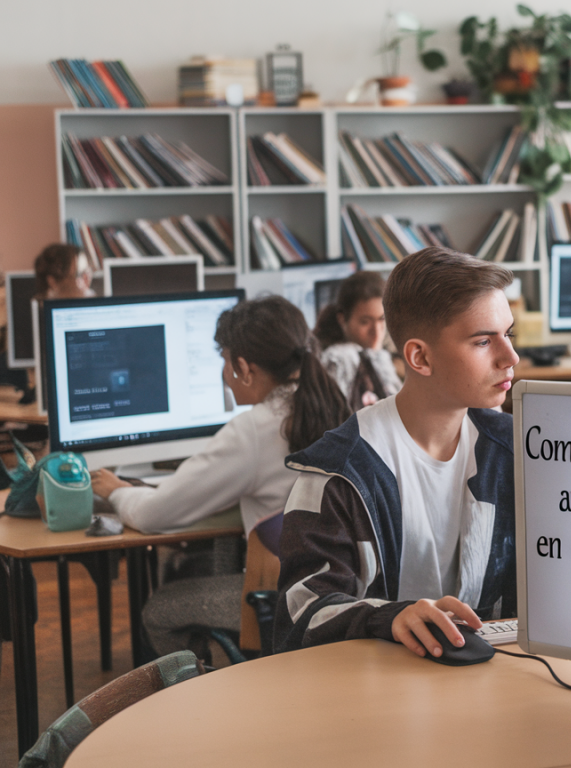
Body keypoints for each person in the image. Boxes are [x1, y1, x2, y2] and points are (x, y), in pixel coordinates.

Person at [275, 246, 518, 660]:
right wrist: (387, 617)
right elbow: (301, 616)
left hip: (493, 683)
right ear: (419, 356)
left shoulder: (516, 451)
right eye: (483, 341)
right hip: (371, 698)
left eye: (508, 335)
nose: (510, 357)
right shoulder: (338, 472)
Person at [91, 295, 351, 656]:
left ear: (243, 367)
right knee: (194, 565)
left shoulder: (254, 430)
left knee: (160, 609)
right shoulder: (335, 402)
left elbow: (154, 515)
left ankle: (201, 703)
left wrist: (117, 491)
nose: (224, 375)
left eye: (225, 361)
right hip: (342, 586)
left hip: (285, 598)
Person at [313, 270, 402, 411]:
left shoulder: (385, 352)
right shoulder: (338, 360)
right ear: (342, 319)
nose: (376, 331)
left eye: (382, 319)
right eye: (365, 322)